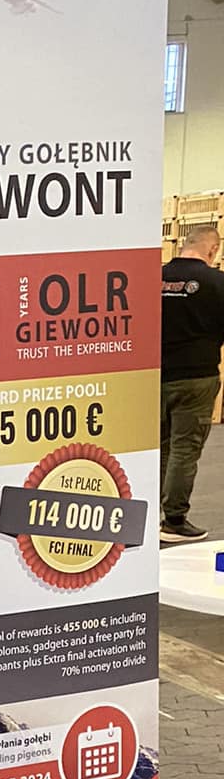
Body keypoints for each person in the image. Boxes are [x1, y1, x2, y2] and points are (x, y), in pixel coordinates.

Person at [160, 224, 224, 542]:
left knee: (159, 447)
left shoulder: (154, 277)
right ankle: (174, 520)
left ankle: (145, 512)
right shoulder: (217, 283)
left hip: (154, 375)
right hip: (196, 376)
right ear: (212, 250)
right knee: (185, 449)